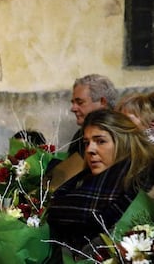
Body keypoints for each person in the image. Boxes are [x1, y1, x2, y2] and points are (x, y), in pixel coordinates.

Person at [46, 109, 154, 262]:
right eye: (86, 143)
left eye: (100, 141)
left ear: (123, 142)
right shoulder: (79, 182)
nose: (90, 149)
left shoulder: (143, 184)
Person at [67, 74, 118, 157]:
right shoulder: (79, 135)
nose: (73, 109)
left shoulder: (121, 133)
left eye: (80, 102)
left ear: (102, 102)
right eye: (87, 142)